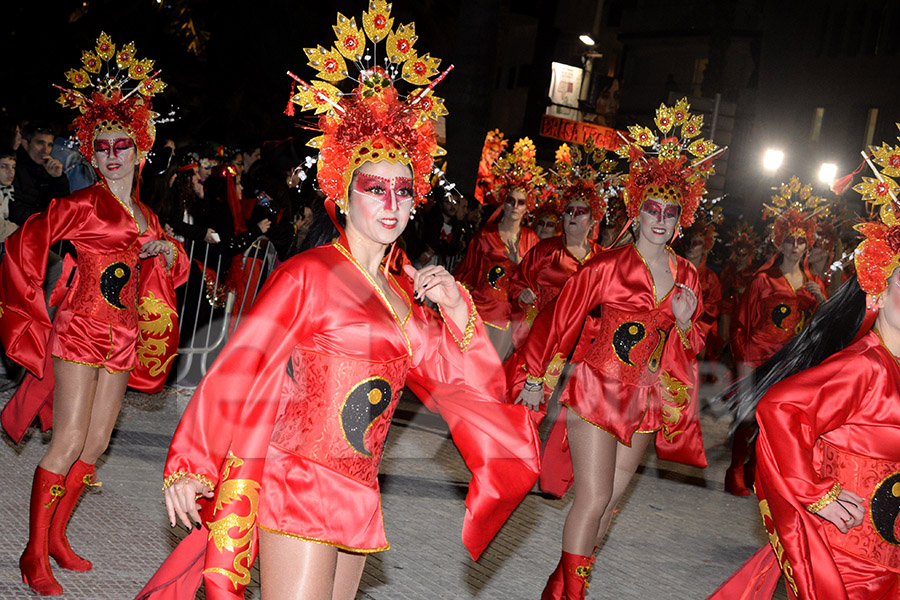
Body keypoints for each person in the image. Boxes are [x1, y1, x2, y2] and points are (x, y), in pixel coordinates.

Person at [135, 6, 540, 599]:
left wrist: (459, 312)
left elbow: (470, 389)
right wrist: (193, 458)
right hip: (296, 478)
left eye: (404, 190)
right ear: (343, 196)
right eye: (376, 188)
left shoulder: (406, 293)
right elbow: (241, 364)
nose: (392, 202)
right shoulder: (311, 274)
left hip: (358, 489)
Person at [0, 33, 188, 596]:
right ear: (91, 150)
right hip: (79, 330)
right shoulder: (81, 204)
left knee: (98, 443)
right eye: (102, 145)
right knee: (69, 438)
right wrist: (34, 304)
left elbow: (172, 273)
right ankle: (33, 554)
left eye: (121, 145)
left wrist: (168, 251)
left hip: (124, 338)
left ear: (140, 148)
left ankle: (58, 536)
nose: (112, 154)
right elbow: (23, 245)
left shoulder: (148, 214)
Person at [512, 99, 717, 600]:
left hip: (646, 400)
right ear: (636, 208)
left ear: (681, 217)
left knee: (608, 508)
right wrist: (536, 380)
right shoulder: (607, 266)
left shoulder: (687, 275)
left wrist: (688, 323)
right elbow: (560, 321)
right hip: (597, 386)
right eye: (652, 208)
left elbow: (691, 346)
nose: (660, 220)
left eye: (671, 212)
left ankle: (559, 590)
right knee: (593, 496)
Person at [707, 146, 900, 600]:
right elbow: (781, 406)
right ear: (879, 284)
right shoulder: (864, 367)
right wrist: (816, 492)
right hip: (847, 562)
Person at [726, 177, 827, 496]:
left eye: (800, 241)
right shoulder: (762, 280)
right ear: (779, 242)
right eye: (789, 241)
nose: (795, 247)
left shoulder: (814, 285)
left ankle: (760, 471)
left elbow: (822, 329)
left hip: (792, 363)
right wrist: (742, 363)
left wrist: (821, 302)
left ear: (807, 244)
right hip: (758, 357)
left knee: (776, 422)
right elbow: (741, 324)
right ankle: (736, 470)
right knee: (748, 418)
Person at [509, 141, 611, 351]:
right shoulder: (545, 249)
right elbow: (518, 282)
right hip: (542, 335)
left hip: (583, 342)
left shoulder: (603, 259)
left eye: (580, 212)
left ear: (593, 220)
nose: (573, 216)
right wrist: (523, 293)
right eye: (569, 211)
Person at [455, 137, 543, 360]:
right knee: (472, 365)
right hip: (480, 309)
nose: (514, 206)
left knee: (495, 368)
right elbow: (468, 271)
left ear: (527, 207)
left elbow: (536, 277)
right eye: (511, 201)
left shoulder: (531, 239)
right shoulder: (486, 234)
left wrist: (518, 262)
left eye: (520, 202)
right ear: (503, 203)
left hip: (509, 315)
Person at [9, 121, 69, 225]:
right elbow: (15, 212)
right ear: (25, 143)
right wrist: (48, 219)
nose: (45, 150)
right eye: (40, 143)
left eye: (49, 145)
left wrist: (58, 178)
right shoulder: (12, 168)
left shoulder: (48, 168)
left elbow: (63, 207)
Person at [0, 145, 17, 243]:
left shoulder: (6, 190)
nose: (11, 172)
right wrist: (20, 231)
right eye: (4, 166)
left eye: (13, 167)